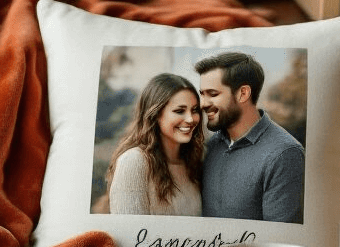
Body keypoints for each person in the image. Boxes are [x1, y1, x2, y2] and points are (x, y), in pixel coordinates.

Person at [195, 51, 305, 223]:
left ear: (243, 93)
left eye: (213, 94)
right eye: (202, 94)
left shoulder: (284, 154)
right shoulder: (212, 145)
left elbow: (279, 240)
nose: (203, 104)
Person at [107, 73, 203, 216]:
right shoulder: (133, 162)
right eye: (179, 111)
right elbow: (130, 232)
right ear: (156, 114)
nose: (190, 119)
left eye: (195, 110)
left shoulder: (192, 163)